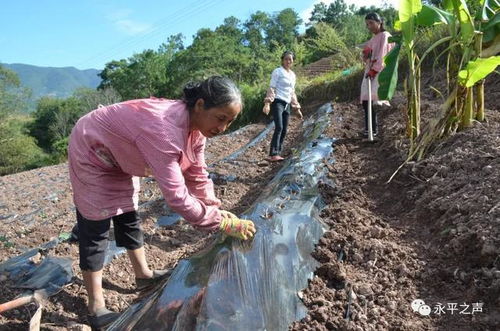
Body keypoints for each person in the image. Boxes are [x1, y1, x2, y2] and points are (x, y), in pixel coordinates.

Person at [67, 76, 256, 329]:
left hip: (120, 153)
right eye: (221, 118)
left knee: (128, 214)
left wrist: (215, 209)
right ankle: (95, 305)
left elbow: (197, 174)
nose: (223, 127)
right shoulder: (164, 129)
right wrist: (219, 222)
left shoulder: (196, 131)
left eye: (230, 121)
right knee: (97, 226)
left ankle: (143, 274)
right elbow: (177, 197)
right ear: (199, 105)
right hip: (92, 148)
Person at [263, 51, 303, 162]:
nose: (288, 61)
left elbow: (292, 92)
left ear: (293, 61)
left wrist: (297, 108)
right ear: (282, 60)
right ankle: (273, 154)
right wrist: (267, 103)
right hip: (278, 102)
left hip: (287, 104)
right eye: (286, 59)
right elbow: (272, 88)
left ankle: (278, 153)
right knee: (279, 127)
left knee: (284, 129)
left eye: (290, 59)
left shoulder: (292, 75)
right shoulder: (278, 71)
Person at [360, 12, 394, 137]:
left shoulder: (385, 36)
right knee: (365, 100)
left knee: (373, 99)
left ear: (379, 22)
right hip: (369, 71)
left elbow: (383, 55)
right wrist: (365, 54)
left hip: (379, 71)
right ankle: (369, 129)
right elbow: (367, 57)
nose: (369, 26)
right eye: (367, 24)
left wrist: (374, 70)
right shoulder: (372, 39)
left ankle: (373, 130)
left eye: (371, 23)